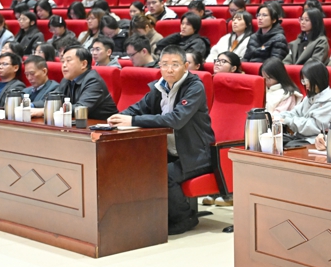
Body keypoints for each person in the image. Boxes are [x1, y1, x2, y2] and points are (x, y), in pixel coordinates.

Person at [108, 45, 214, 235]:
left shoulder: (194, 87)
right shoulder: (160, 86)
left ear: (186, 66)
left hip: (196, 154)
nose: (169, 69)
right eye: (165, 64)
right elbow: (139, 108)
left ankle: (185, 218)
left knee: (163, 174)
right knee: (138, 167)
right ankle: (155, 214)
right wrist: (118, 117)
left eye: (175, 64)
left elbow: (175, 120)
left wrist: (132, 121)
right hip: (169, 151)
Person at [31, 46, 118, 118]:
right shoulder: (67, 79)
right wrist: (31, 106)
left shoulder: (94, 81)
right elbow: (52, 99)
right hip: (80, 124)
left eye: (68, 61)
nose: (64, 65)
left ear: (83, 64)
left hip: (105, 127)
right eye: (63, 61)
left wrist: (45, 111)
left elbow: (80, 108)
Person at [278, 60, 331, 143]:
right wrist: (278, 117)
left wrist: (287, 120)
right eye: (303, 80)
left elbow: (312, 127)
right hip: (301, 137)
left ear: (317, 79)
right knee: (276, 140)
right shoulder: (310, 97)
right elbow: (295, 112)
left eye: (307, 80)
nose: (304, 84)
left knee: (282, 145)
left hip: (316, 142)